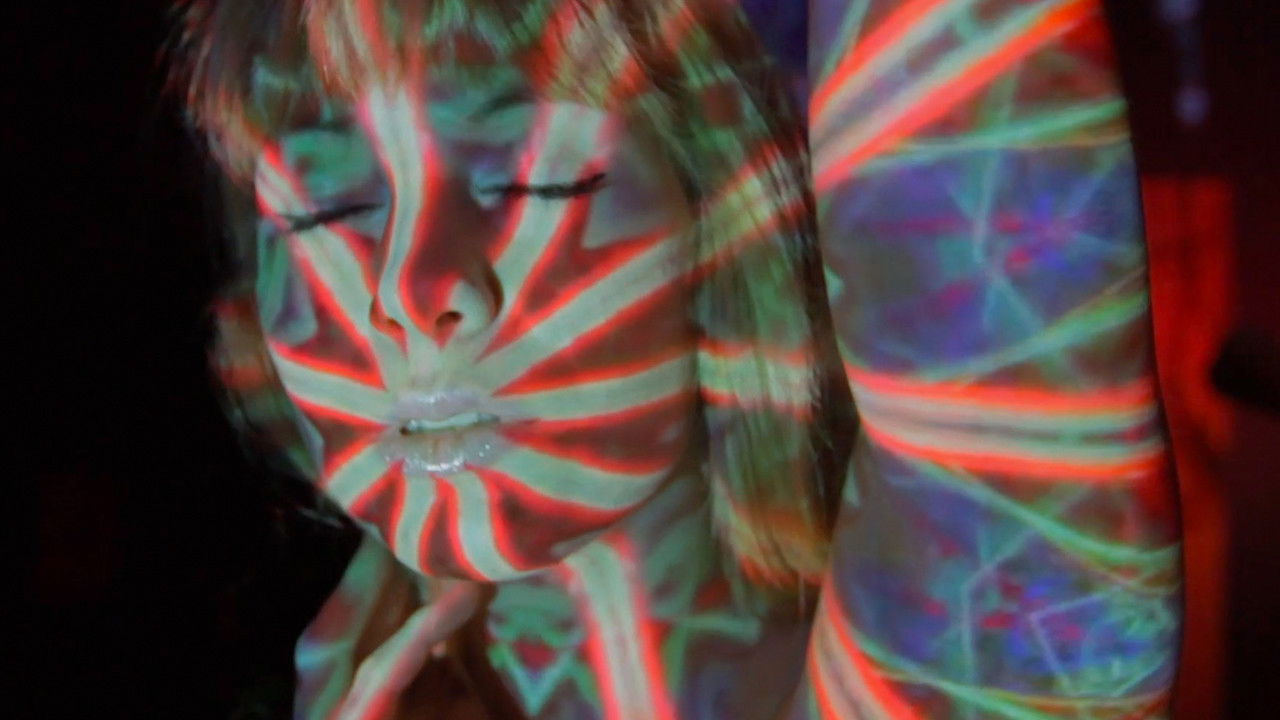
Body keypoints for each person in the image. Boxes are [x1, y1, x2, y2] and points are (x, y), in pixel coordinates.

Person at [170, 0, 1181, 717]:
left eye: (528, 186)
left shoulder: (965, 661)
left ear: (721, 223)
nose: (407, 291)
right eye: (331, 209)